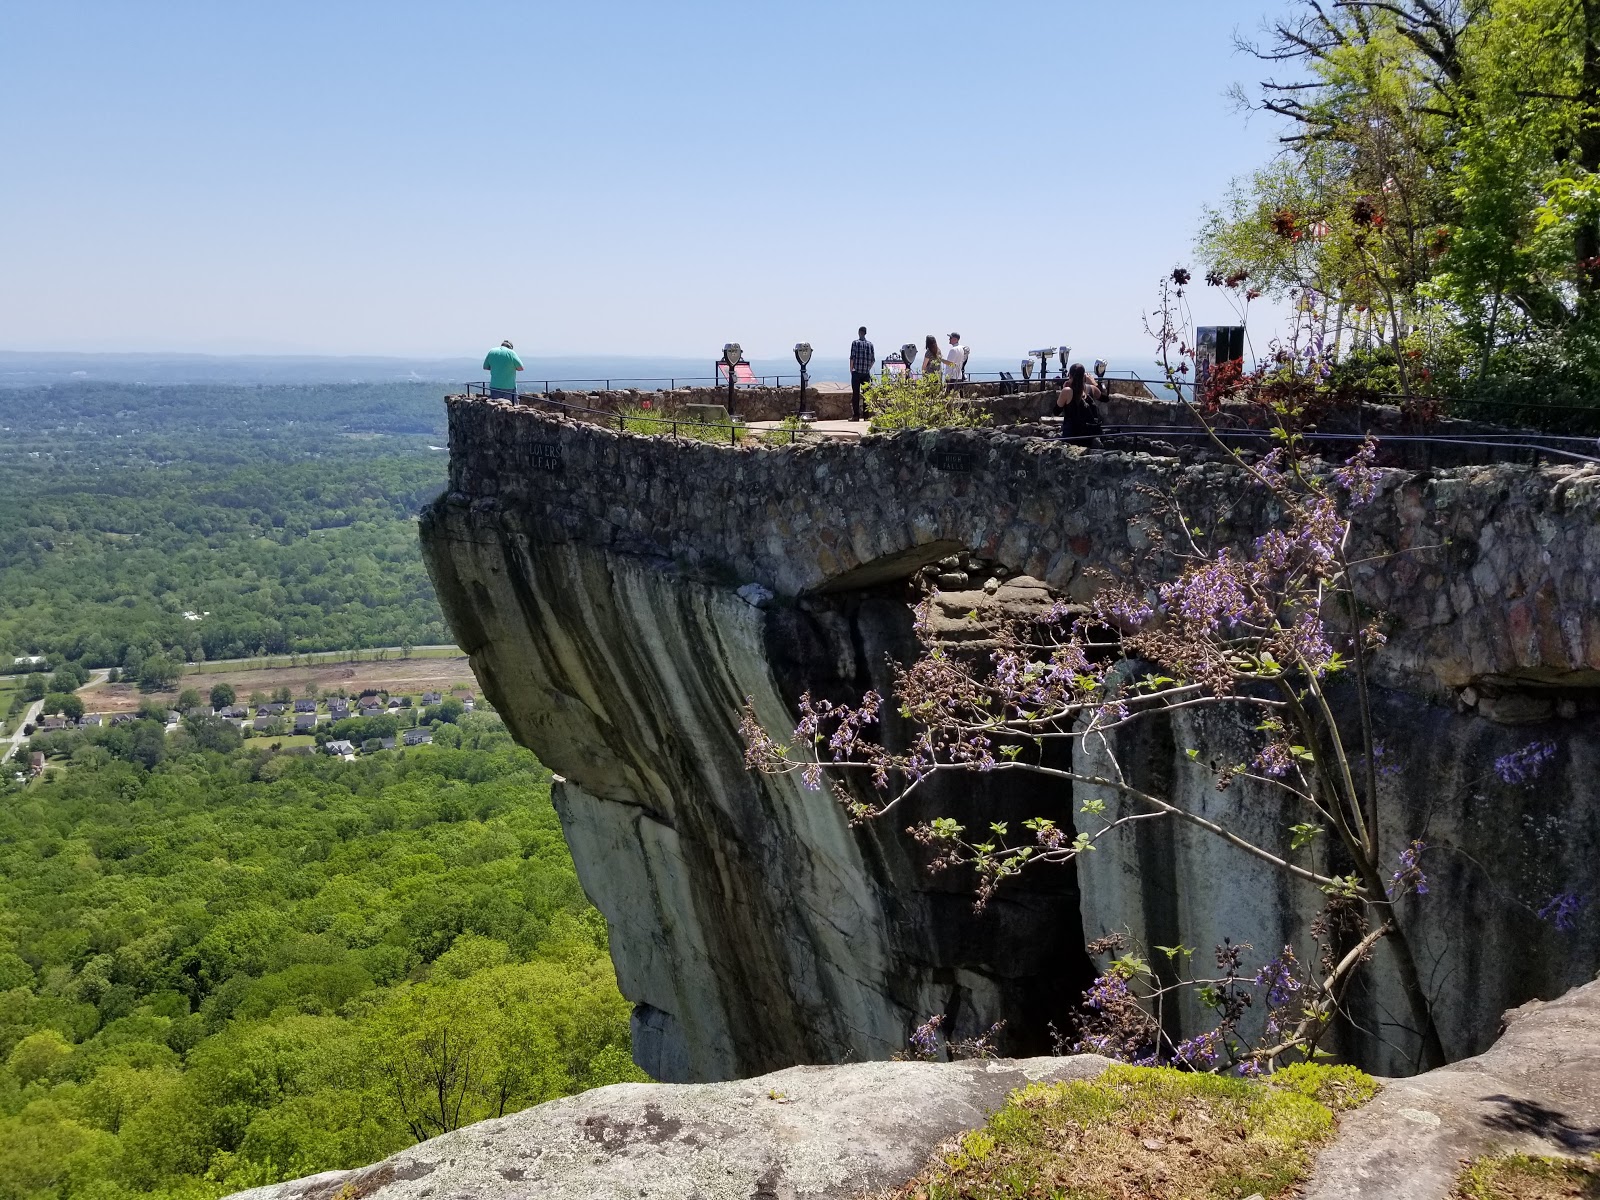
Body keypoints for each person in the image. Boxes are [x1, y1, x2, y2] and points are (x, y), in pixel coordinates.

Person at [1056, 362, 1105, 443]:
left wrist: (1064, 390)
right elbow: (1105, 398)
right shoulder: (1091, 388)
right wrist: (1094, 383)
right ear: (1084, 376)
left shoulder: (1067, 391)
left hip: (1071, 437)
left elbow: (1056, 411)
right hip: (1089, 436)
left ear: (1070, 375)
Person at [849, 326, 875, 420]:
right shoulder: (870, 345)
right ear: (865, 333)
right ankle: (866, 416)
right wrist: (868, 368)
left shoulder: (855, 343)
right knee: (866, 395)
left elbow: (852, 357)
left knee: (855, 394)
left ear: (859, 332)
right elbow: (873, 360)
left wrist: (851, 369)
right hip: (866, 373)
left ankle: (856, 416)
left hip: (857, 372)